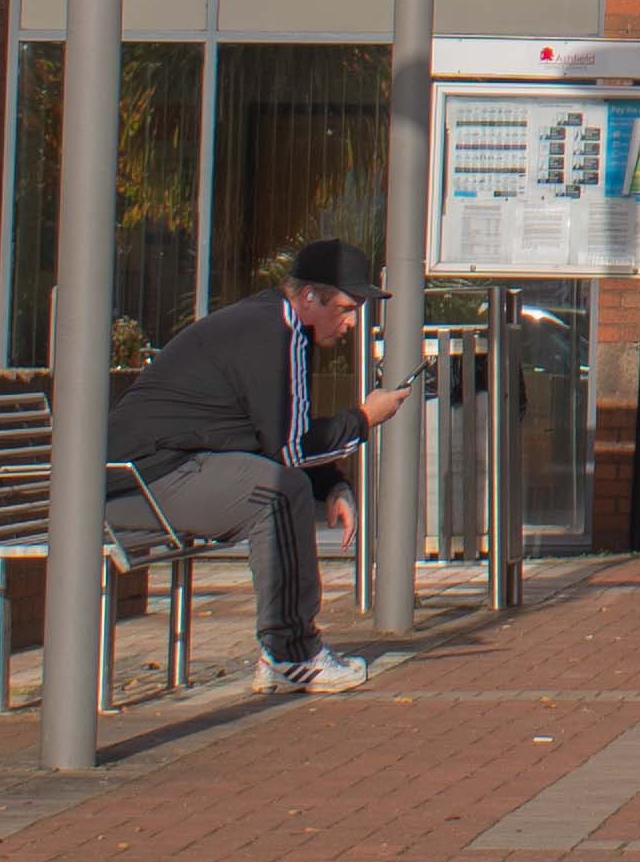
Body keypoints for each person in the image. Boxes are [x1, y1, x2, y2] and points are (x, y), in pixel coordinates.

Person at [106, 237, 412, 694]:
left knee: (280, 486)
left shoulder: (281, 327)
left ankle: (286, 652)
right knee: (274, 493)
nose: (351, 323)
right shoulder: (276, 333)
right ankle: (292, 654)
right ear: (309, 297)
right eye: (346, 308)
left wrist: (330, 485)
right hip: (137, 482)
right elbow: (287, 452)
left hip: (163, 472)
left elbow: (277, 434)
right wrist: (365, 419)